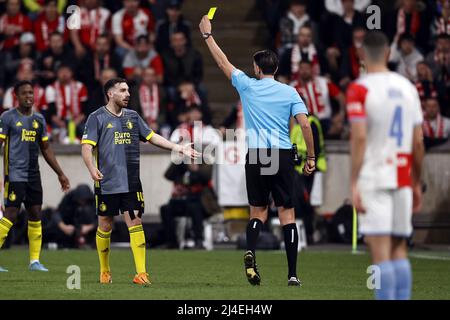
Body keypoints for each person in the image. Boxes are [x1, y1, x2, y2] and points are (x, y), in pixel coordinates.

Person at [199, 15, 315, 286]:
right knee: (287, 214)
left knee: (258, 213)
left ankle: (250, 252)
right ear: (274, 69)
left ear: (257, 69)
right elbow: (305, 125)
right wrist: (310, 156)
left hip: (258, 154)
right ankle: (293, 274)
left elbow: (222, 62)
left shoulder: (248, 87)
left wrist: (207, 35)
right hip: (282, 153)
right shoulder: (290, 92)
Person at [81, 77, 199, 285]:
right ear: (110, 93)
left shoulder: (133, 117)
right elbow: (86, 147)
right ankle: (105, 270)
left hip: (131, 181)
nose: (128, 94)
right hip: (107, 182)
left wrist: (178, 148)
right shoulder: (96, 117)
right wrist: (91, 168)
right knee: (105, 225)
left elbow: (152, 136)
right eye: (123, 90)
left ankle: (141, 273)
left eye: (128, 90)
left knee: (135, 222)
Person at [346, 31, 424, 300]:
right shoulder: (408, 88)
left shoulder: (360, 88)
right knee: (399, 250)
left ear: (361, 55)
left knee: (380, 255)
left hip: (374, 177)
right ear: (389, 53)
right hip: (402, 177)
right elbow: (418, 143)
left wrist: (354, 181)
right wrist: (416, 182)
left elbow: (359, 137)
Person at [0, 80, 71, 272]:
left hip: (33, 175)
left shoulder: (39, 119)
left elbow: (46, 148)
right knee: (11, 214)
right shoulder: (7, 117)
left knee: (35, 215)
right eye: (24, 93)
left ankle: (34, 261)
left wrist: (60, 174)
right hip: (14, 174)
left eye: (31, 93)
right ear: (16, 95)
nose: (29, 96)